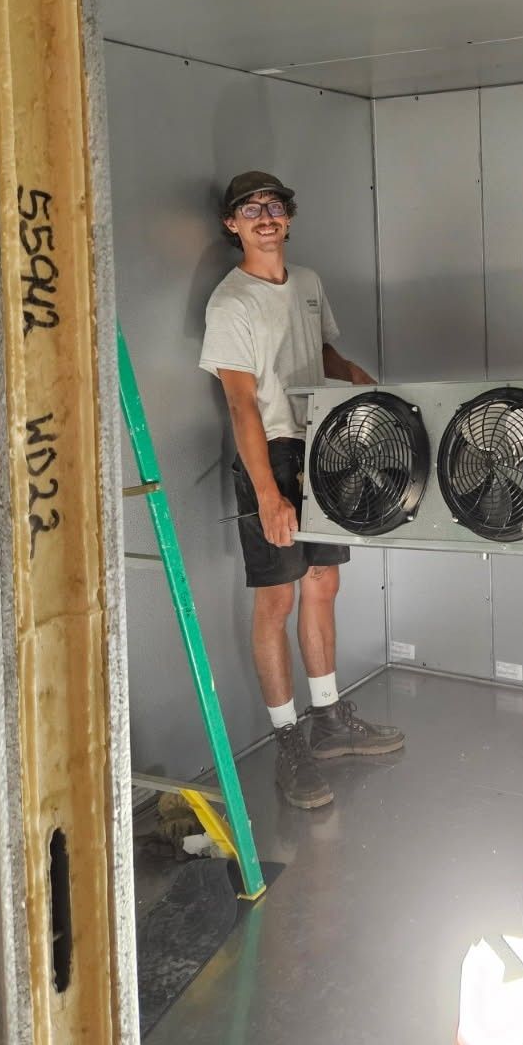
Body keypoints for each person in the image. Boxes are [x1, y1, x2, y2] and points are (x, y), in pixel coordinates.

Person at [200, 170, 405, 810]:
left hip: (324, 448)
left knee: (324, 585)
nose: (265, 217)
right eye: (250, 209)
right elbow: (239, 403)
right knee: (276, 602)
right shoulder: (228, 304)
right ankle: (288, 742)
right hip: (270, 453)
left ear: (288, 217)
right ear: (232, 225)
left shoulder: (308, 284)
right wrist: (267, 491)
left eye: (275, 207)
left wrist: (349, 373)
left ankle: (327, 720)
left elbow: (314, 347)